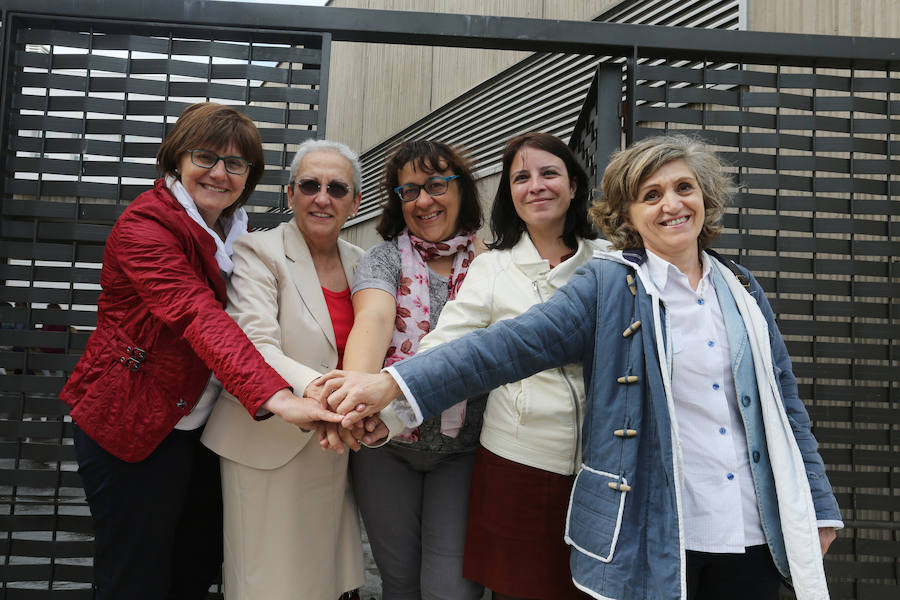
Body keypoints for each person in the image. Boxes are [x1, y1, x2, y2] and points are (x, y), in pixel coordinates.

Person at [319, 135, 843, 600]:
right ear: (628, 215)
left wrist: (817, 505)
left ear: (706, 197)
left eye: (684, 187)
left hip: (752, 524)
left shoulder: (742, 288)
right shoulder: (608, 284)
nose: (672, 205)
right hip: (662, 525)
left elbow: (785, 407)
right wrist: (390, 385)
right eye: (651, 195)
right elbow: (501, 348)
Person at [59, 102, 342, 600]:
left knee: (194, 569)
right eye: (205, 157)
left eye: (236, 164)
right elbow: (197, 316)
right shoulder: (145, 227)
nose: (219, 173)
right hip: (133, 422)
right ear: (176, 160)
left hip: (202, 428)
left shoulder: (236, 237)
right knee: (135, 579)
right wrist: (277, 398)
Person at [403, 132, 602, 599]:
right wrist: (390, 403)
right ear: (510, 195)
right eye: (521, 177)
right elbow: (445, 346)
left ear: (574, 185)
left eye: (549, 173)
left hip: (600, 470)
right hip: (518, 464)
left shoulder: (612, 262)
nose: (536, 185)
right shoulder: (492, 268)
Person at [201, 139, 383, 599]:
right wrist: (324, 392)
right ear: (290, 194)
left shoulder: (364, 265)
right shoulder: (256, 251)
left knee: (324, 580)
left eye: (338, 188)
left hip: (333, 450)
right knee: (267, 583)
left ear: (356, 202)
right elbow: (253, 345)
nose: (323, 197)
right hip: (265, 445)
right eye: (310, 185)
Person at [340, 139, 487, 599]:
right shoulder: (384, 258)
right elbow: (374, 319)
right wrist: (357, 401)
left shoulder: (492, 265)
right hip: (387, 446)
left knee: (451, 589)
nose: (423, 200)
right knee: (399, 585)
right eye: (409, 191)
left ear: (461, 189)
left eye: (436, 185)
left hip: (463, 453)